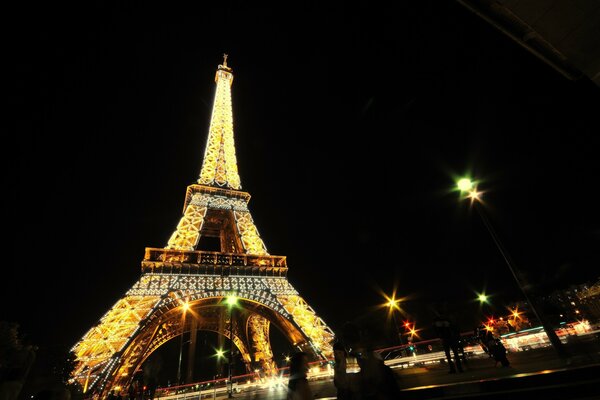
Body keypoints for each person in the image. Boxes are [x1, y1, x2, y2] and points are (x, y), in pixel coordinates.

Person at [333, 321, 402, 399]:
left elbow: (353, 387)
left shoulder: (350, 361)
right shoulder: (374, 356)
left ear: (346, 341)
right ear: (360, 335)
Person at [432, 306, 463, 373]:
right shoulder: (447, 320)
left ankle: (453, 369)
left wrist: (439, 336)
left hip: (445, 338)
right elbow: (453, 327)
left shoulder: (437, 321)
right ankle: (459, 368)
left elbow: (436, 329)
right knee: (455, 354)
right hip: (451, 337)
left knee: (448, 355)